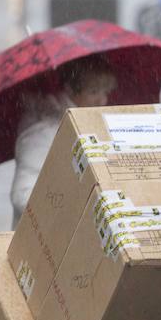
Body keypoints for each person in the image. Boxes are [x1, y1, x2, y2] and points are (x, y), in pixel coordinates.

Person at [11, 55, 116, 228]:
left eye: (105, 92)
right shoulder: (44, 132)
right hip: (41, 241)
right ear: (70, 90)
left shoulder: (89, 125)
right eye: (93, 92)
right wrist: (70, 208)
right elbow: (22, 195)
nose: (102, 100)